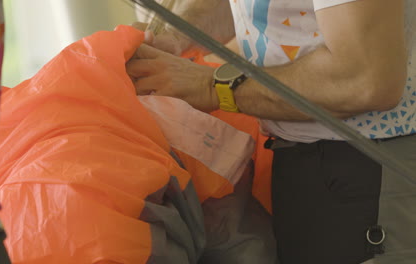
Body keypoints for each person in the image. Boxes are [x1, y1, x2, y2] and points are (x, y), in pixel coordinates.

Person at [126, 0, 416, 263]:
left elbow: (366, 78)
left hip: (369, 162)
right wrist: (174, 36)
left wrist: (213, 87)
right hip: (303, 161)